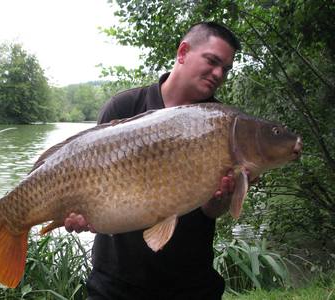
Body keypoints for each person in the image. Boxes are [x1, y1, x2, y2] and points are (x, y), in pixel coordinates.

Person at [65, 22, 242, 299]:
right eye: (212, 61)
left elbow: (212, 211)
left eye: (226, 69)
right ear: (183, 52)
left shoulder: (225, 123)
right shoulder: (123, 107)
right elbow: (87, 182)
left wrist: (221, 198)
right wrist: (81, 213)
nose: (219, 73)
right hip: (115, 282)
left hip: (190, 282)